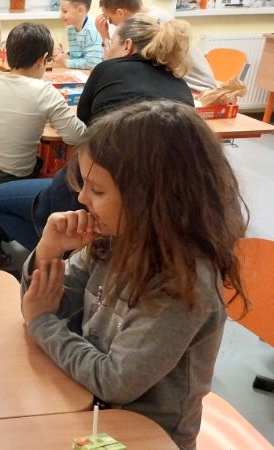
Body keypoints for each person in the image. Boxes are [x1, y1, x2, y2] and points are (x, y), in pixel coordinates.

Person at [20, 100, 249, 450]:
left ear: (153, 200)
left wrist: (42, 323)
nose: (82, 199)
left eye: (97, 190)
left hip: (148, 436)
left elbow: (114, 382)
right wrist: (49, 252)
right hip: (90, 407)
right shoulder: (113, 239)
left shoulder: (184, 285)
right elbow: (44, 304)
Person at [0, 14, 195, 252]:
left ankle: (61, 253)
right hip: (164, 201)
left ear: (127, 46)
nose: (106, 50)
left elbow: (84, 127)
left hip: (105, 184)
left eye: (110, 43)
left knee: (1, 199)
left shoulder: (108, 69)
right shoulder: (180, 85)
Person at [0, 22, 86, 195]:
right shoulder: (46, 92)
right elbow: (77, 136)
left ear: (7, 54)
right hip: (9, 182)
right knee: (44, 168)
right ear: (43, 59)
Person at [95, 0, 217, 92]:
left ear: (120, 13)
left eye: (109, 19)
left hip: (196, 90)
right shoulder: (155, 13)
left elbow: (114, 66)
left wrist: (105, 37)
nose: (110, 23)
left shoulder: (148, 23)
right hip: (184, 86)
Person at [53, 0, 103, 69]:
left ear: (80, 10)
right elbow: (77, 58)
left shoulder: (91, 32)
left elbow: (93, 63)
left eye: (65, 11)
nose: (60, 16)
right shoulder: (71, 29)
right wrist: (65, 56)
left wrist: (65, 62)